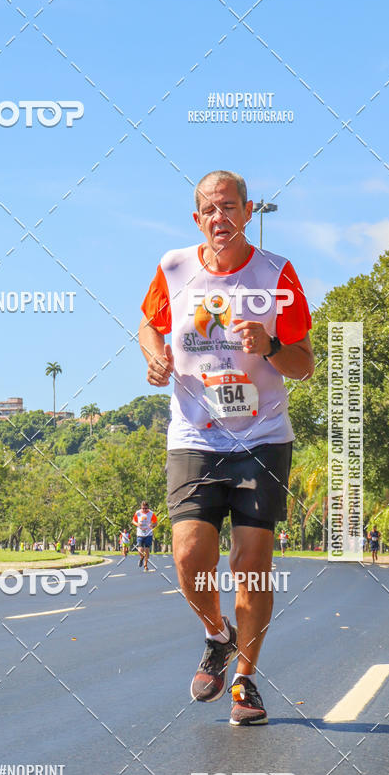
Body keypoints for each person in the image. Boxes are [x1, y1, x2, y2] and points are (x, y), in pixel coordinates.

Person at [139, 169, 314, 725]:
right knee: (189, 556)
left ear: (248, 210)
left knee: (251, 565)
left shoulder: (277, 274)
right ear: (198, 219)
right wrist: (155, 355)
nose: (220, 218)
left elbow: (304, 365)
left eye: (229, 207)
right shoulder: (174, 267)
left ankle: (244, 680)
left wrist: (271, 345)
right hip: (195, 435)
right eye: (210, 210)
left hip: (261, 437)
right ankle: (218, 635)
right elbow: (149, 324)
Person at [132, 502, 158, 571]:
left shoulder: (151, 514)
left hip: (148, 534)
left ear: (148, 508)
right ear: (141, 507)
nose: (144, 510)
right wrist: (138, 524)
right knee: (140, 551)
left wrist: (152, 525)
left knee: (146, 550)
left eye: (146, 508)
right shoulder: (138, 513)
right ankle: (141, 558)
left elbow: (156, 522)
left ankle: (145, 565)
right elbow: (133, 521)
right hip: (140, 534)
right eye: (143, 508)